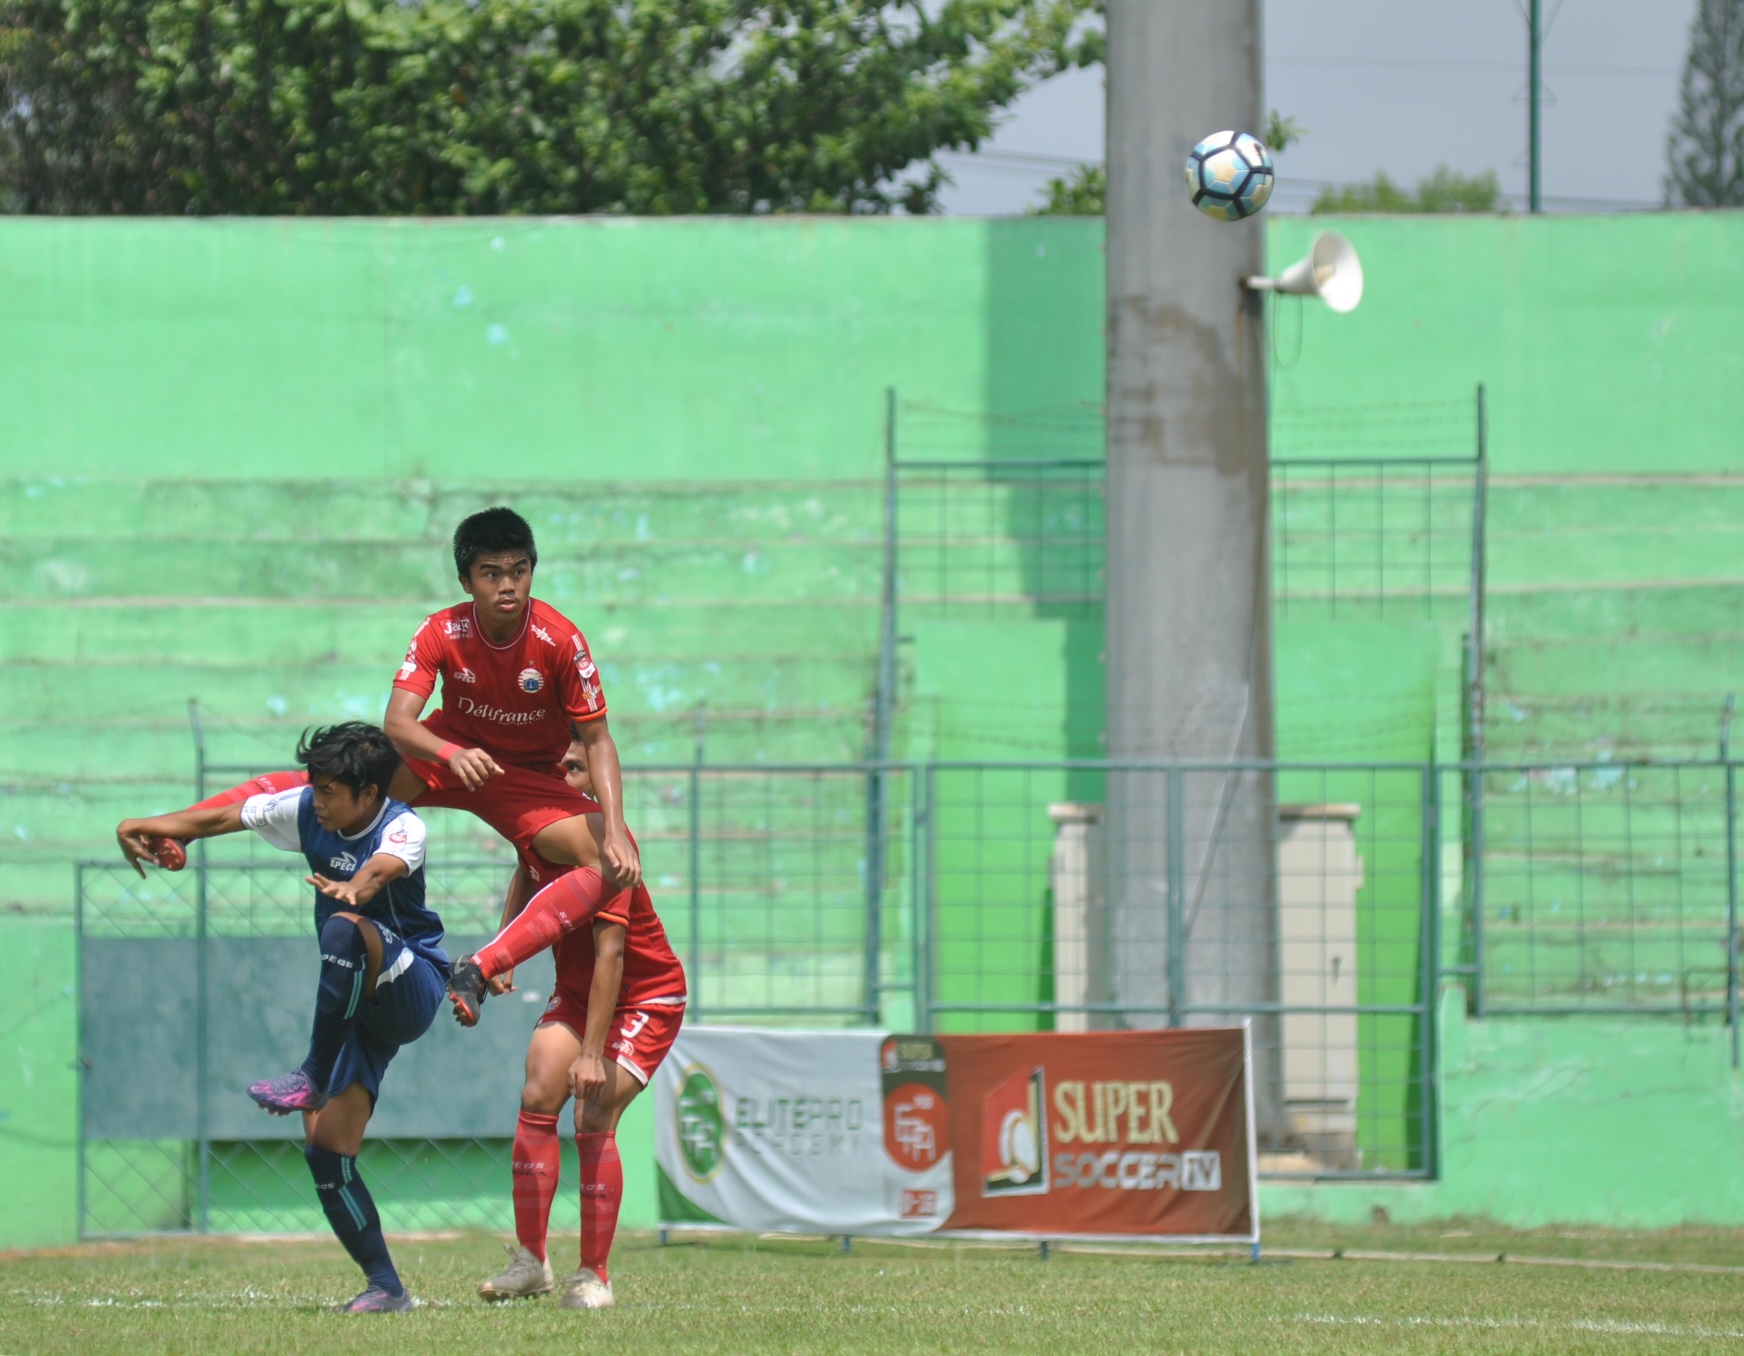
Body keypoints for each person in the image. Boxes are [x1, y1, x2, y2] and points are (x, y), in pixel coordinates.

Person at [141, 507, 645, 1020]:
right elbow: (398, 723)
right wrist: (452, 753)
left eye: (519, 570)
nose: (507, 585)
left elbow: (598, 740)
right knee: (343, 779)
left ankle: (483, 963)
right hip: (450, 752)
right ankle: (181, 829)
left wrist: (616, 832)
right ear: (466, 581)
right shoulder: (441, 631)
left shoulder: (560, 640)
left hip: (530, 776)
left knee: (611, 860)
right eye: (491, 574)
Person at [115, 722, 447, 1314]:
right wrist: (144, 826)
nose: (315, 800)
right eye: (313, 787)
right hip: (360, 1006)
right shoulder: (306, 810)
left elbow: (381, 872)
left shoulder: (402, 825)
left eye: (329, 792)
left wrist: (354, 888)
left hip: (411, 982)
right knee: (325, 1150)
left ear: (368, 794)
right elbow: (224, 818)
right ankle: (386, 1286)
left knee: (346, 928)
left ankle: (312, 1073)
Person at [471, 747, 687, 1311]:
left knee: (590, 1110)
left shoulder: (607, 844)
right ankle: (531, 1262)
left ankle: (594, 1276)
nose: (559, 775)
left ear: (598, 780)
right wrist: (506, 948)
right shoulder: (542, 829)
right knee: (539, 1086)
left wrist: (593, 1054)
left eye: (573, 766)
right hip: (576, 992)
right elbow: (526, 873)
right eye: (553, 766)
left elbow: (611, 953)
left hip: (644, 996)